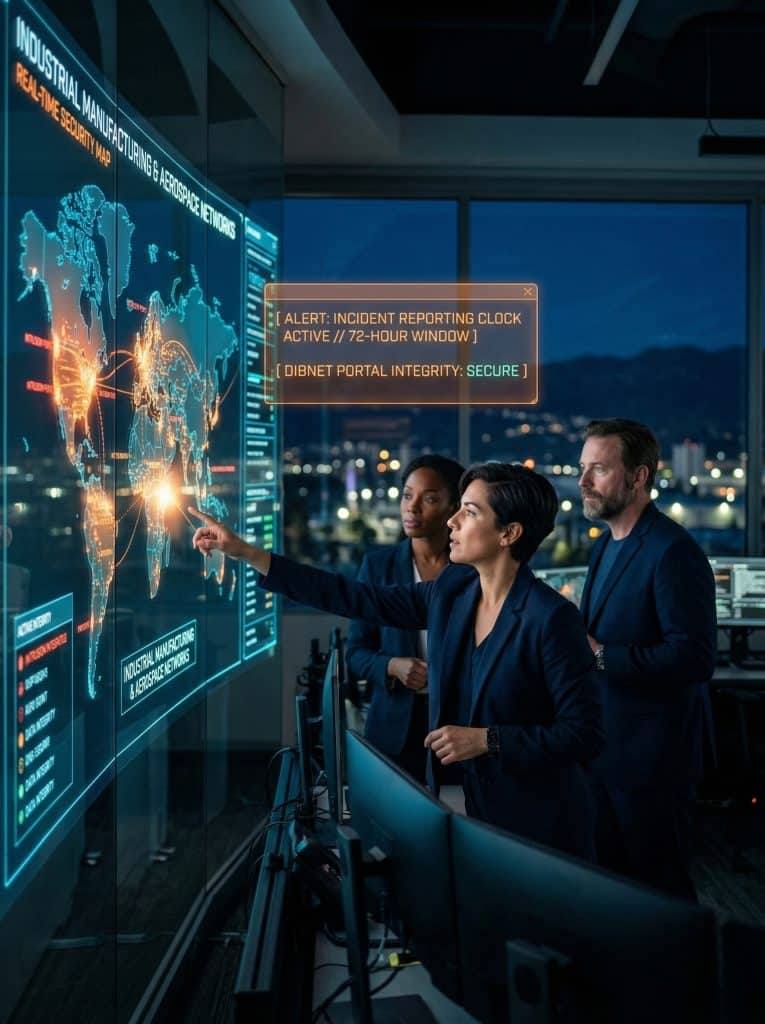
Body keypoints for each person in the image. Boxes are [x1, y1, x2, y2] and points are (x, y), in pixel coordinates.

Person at [189, 463, 604, 860]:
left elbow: (583, 734)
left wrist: (486, 740)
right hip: (470, 807)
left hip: (540, 825)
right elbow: (356, 597)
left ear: (509, 533)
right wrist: (244, 552)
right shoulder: (455, 590)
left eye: (469, 511)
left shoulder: (551, 618)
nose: (451, 521)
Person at [578, 418, 716, 898]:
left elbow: (694, 657)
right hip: (604, 753)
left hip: (652, 763)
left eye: (598, 469)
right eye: (582, 468)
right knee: (617, 893)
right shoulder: (604, 549)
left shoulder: (673, 551)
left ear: (639, 476)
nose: (583, 482)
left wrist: (599, 657)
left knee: (663, 898)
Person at [346, 455, 464, 784]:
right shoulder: (378, 566)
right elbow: (355, 652)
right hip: (395, 726)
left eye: (429, 498)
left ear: (455, 505)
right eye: (407, 495)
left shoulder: (471, 570)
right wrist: (392, 666)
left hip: (459, 725)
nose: (412, 508)